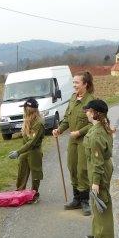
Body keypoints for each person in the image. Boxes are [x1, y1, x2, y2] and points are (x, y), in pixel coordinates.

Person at [52, 71, 95, 215]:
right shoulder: (72, 98)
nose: (74, 85)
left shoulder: (91, 101)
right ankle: (76, 198)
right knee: (72, 167)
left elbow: (94, 124)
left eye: (77, 82)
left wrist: (79, 132)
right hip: (72, 140)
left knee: (82, 168)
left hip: (84, 140)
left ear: (85, 84)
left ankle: (85, 201)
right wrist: (59, 130)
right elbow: (66, 118)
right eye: (73, 83)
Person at [82, 99, 114, 238]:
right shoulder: (101, 127)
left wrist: (95, 181)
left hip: (99, 169)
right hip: (100, 167)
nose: (86, 113)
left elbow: (97, 161)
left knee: (101, 201)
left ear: (95, 113)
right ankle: (97, 231)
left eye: (88, 111)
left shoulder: (97, 134)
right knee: (97, 202)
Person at [8, 98, 44, 203]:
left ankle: (34, 194)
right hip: (26, 150)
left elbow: (31, 142)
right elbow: (25, 138)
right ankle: (20, 192)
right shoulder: (28, 119)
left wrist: (18, 152)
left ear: (30, 109)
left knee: (35, 173)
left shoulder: (38, 123)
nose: (24, 110)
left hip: (34, 151)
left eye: (25, 108)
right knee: (22, 170)